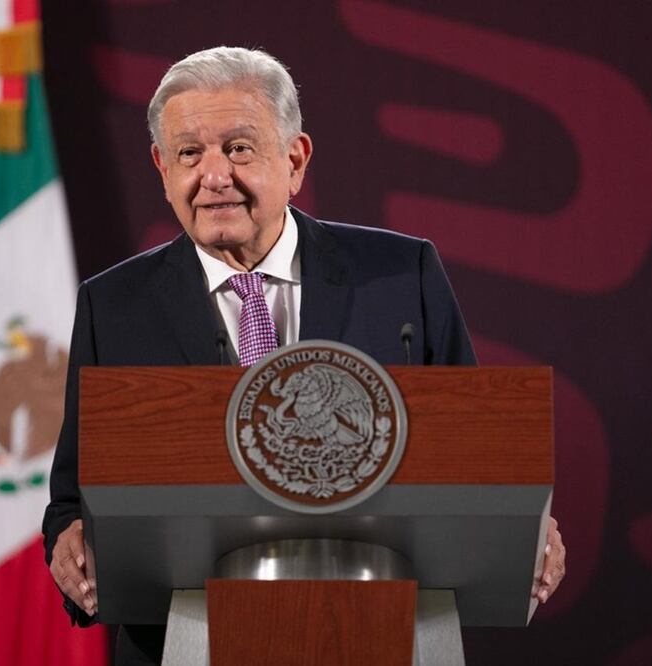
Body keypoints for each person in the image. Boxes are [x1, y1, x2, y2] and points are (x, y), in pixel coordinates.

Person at [43, 46, 566, 664]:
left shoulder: (400, 276)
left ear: (295, 160)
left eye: (239, 148)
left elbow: (477, 459)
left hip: (384, 627)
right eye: (189, 153)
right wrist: (69, 540)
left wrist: (526, 525)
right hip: (184, 637)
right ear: (161, 167)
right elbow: (75, 496)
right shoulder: (115, 305)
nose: (214, 177)